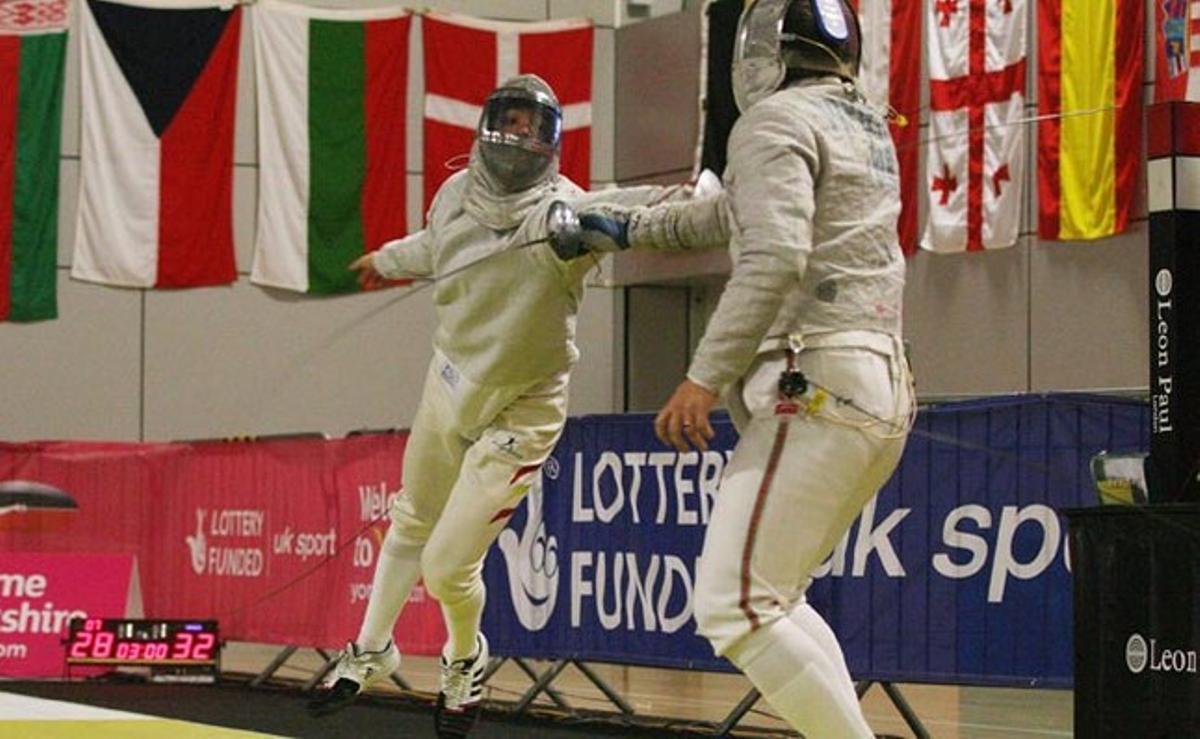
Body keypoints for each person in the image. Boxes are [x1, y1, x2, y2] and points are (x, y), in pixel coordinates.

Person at [306, 74, 716, 738]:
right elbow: (437, 245)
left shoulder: (566, 216)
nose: (523, 136)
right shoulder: (453, 192)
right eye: (514, 121)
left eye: (536, 127)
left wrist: (702, 201)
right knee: (410, 518)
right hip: (449, 380)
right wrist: (385, 257)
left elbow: (634, 213)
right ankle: (372, 649)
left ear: (551, 141)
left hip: (524, 408)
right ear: (492, 124)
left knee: (446, 566)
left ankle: (465, 657)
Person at [566, 1, 915, 736]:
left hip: (816, 380)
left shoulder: (774, 121)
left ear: (765, 50)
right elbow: (724, 216)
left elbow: (776, 254)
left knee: (736, 605)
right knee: (775, 598)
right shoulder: (860, 124)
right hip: (875, 386)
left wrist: (700, 374)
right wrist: (617, 222)